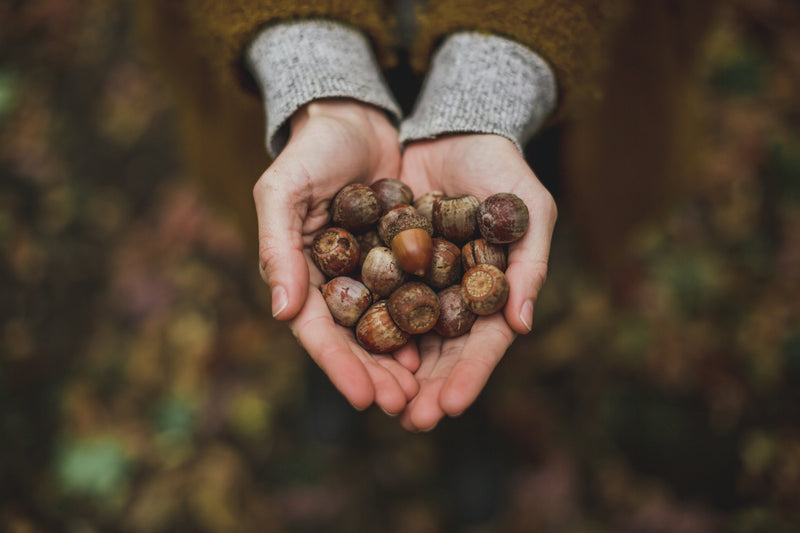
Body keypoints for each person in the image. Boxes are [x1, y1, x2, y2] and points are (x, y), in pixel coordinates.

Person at [137, 0, 716, 431]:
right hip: (315, 98)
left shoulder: (443, 245)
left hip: (552, 82)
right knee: (301, 251)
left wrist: (495, 83)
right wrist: (313, 70)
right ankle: (334, 381)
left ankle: (470, 420)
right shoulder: (374, 237)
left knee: (518, 270)